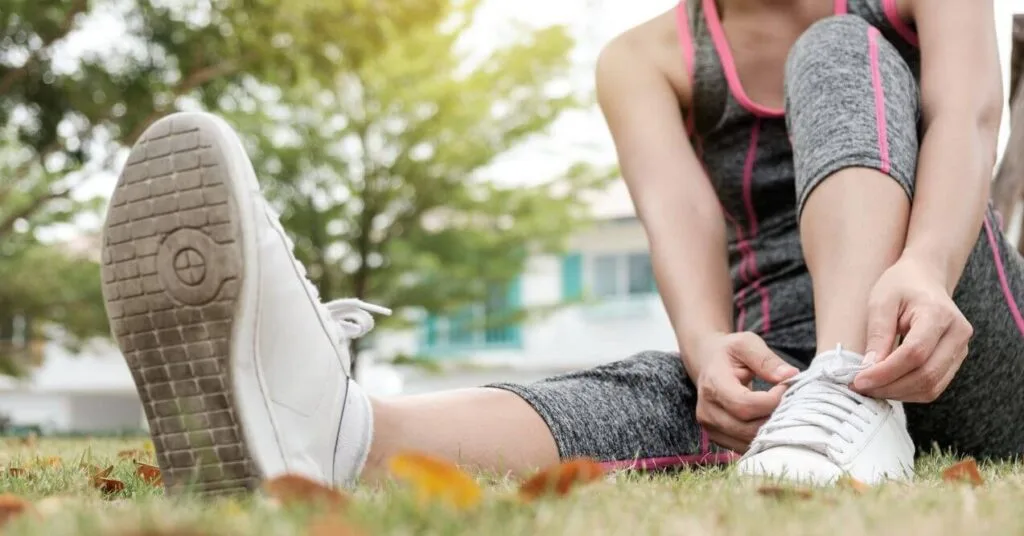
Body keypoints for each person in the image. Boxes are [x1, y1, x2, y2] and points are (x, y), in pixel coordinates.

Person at [99, 0, 1020, 495]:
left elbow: (970, 116)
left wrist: (925, 269)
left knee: (835, 49)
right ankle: (333, 434)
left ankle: (845, 379)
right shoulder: (643, 59)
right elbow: (682, 224)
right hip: (790, 397)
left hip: (946, 305)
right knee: (643, 389)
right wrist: (706, 356)